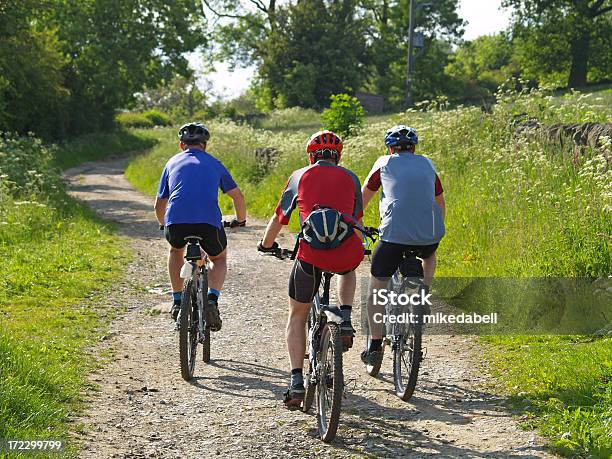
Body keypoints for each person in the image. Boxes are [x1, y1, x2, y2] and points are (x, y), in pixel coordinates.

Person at [258, 130, 365, 408]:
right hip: (345, 253)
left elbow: (280, 217)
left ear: (310, 154)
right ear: (338, 156)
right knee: (348, 267)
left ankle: (296, 382)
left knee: (297, 316)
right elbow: (356, 219)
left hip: (310, 256)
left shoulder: (299, 176)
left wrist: (266, 244)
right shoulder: (351, 178)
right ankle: (346, 315)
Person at [360, 125, 446, 366]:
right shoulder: (428, 164)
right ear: (414, 148)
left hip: (393, 238)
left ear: (390, 148)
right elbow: (440, 205)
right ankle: (423, 293)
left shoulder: (383, 163)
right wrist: (432, 232)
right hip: (428, 236)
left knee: (376, 288)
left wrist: (358, 228)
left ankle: (375, 344)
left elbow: (361, 200)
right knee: (430, 255)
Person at [154, 122, 246, 331]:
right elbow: (237, 196)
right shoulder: (214, 163)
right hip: (208, 224)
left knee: (176, 250)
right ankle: (212, 299)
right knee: (218, 257)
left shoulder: (171, 163)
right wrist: (240, 221)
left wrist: (163, 224)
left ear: (181, 145)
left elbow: (160, 203)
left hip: (176, 223)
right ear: (205, 145)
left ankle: (177, 300)